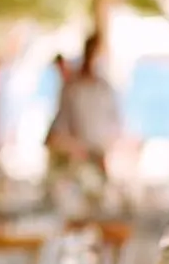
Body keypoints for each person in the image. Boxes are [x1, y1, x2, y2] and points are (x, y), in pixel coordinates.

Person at [45, 35, 122, 176]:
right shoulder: (72, 89)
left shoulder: (106, 89)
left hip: (99, 157)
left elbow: (116, 126)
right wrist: (72, 147)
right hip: (76, 160)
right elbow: (58, 130)